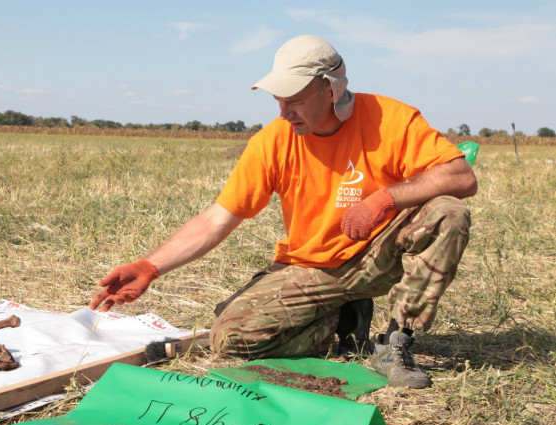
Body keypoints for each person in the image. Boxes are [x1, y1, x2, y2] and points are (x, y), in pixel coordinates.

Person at [89, 35, 477, 389]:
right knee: (230, 339)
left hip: (379, 255)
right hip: (312, 267)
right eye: (279, 99)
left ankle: (395, 343)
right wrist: (150, 267)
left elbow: (461, 176)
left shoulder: (390, 119)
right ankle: (341, 320)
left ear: (331, 89)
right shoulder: (273, 141)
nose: (284, 110)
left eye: (294, 99)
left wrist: (384, 200)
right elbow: (217, 219)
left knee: (448, 211)